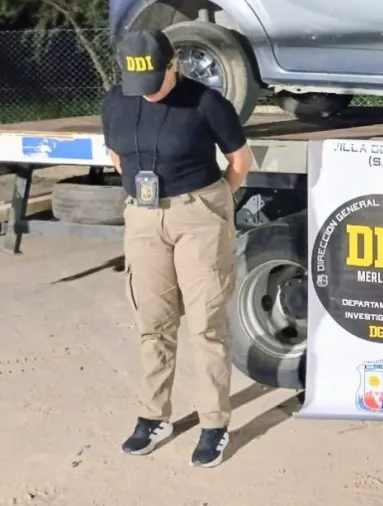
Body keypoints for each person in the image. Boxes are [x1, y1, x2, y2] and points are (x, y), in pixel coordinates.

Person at [101, 29, 254, 468]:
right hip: (144, 217)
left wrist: (210, 204)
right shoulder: (116, 101)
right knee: (152, 321)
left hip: (198, 215)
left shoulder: (206, 103)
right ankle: (154, 416)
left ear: (174, 64)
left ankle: (214, 423)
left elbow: (240, 161)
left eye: (156, 81)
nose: (147, 94)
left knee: (205, 322)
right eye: (139, 85)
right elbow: (117, 154)